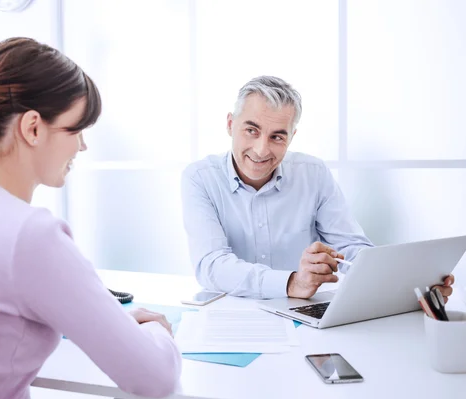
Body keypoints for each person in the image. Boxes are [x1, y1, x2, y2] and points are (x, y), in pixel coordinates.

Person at [0, 37, 181, 399]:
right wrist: (156, 331)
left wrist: (111, 326)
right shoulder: (30, 235)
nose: (82, 146)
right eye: (76, 129)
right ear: (33, 128)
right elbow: (156, 380)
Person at [181, 75, 454, 301]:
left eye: (277, 136)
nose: (262, 149)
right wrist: (291, 283)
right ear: (230, 124)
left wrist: (411, 284)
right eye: (251, 130)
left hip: (300, 315)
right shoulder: (200, 178)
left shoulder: (313, 173)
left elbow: (350, 248)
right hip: (229, 315)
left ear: (291, 137)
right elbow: (211, 265)